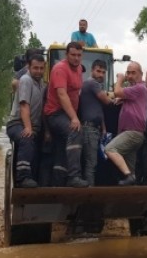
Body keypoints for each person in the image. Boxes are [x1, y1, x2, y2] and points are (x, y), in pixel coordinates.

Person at [43, 42, 89, 188]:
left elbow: (77, 94)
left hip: (67, 114)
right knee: (75, 131)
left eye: (79, 55)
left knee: (63, 149)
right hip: (55, 114)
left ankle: (58, 184)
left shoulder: (79, 69)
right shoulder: (60, 69)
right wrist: (74, 118)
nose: (76, 58)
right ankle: (74, 176)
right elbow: (62, 95)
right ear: (66, 55)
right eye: (73, 55)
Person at [104, 62, 147, 186]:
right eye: (128, 73)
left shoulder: (139, 87)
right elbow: (119, 96)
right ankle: (133, 195)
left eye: (133, 73)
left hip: (132, 132)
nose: (129, 76)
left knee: (110, 149)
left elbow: (117, 91)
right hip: (130, 133)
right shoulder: (134, 90)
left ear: (141, 74)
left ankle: (129, 177)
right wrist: (121, 98)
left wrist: (119, 79)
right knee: (130, 169)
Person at [6, 54, 46, 188]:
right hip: (16, 123)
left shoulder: (41, 84)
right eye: (36, 68)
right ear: (28, 67)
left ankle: (37, 178)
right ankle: (22, 178)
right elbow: (24, 105)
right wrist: (28, 128)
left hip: (33, 125)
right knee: (26, 138)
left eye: (41, 68)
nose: (39, 71)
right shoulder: (26, 80)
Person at [79, 59, 113, 187]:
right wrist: (118, 99)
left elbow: (99, 110)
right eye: (98, 71)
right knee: (91, 162)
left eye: (103, 72)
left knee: (94, 162)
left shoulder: (96, 86)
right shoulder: (91, 83)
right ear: (92, 70)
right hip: (89, 128)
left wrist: (103, 128)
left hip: (96, 128)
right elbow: (106, 101)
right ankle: (89, 194)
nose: (101, 75)